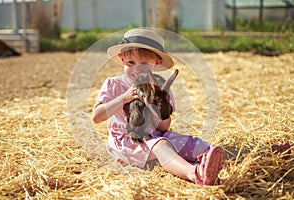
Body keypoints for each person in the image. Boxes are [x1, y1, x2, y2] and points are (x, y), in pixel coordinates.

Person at [92, 28, 291, 186]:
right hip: (128, 143)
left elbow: (163, 128)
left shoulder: (160, 87)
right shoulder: (114, 84)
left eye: (144, 63)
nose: (136, 68)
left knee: (195, 145)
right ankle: (195, 173)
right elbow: (97, 116)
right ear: (121, 59)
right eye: (130, 62)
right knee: (162, 146)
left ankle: (264, 155)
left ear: (157, 63)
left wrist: (158, 105)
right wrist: (123, 99)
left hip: (155, 135)